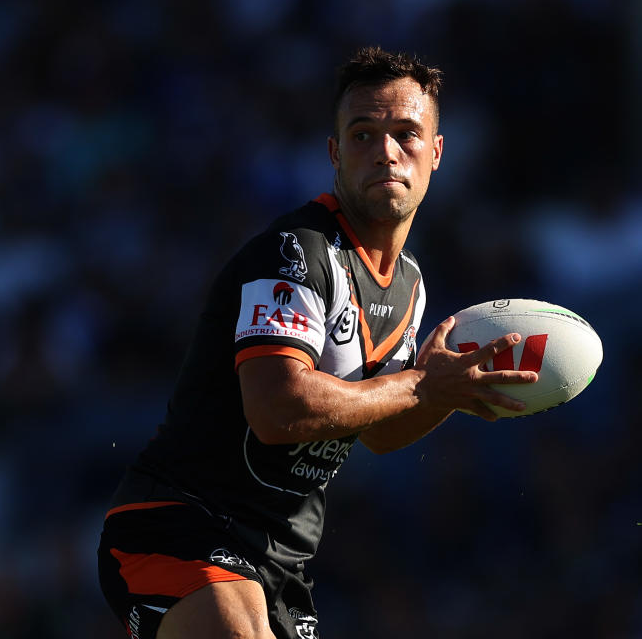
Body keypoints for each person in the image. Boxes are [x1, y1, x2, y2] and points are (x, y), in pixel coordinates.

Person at [97, 46, 538, 639]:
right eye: (362, 135)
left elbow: (380, 430)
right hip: (179, 522)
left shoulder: (410, 287)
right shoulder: (294, 255)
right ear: (334, 154)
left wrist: (445, 396)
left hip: (281, 557)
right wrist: (422, 384)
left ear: (436, 154)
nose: (386, 151)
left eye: (407, 133)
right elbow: (279, 409)